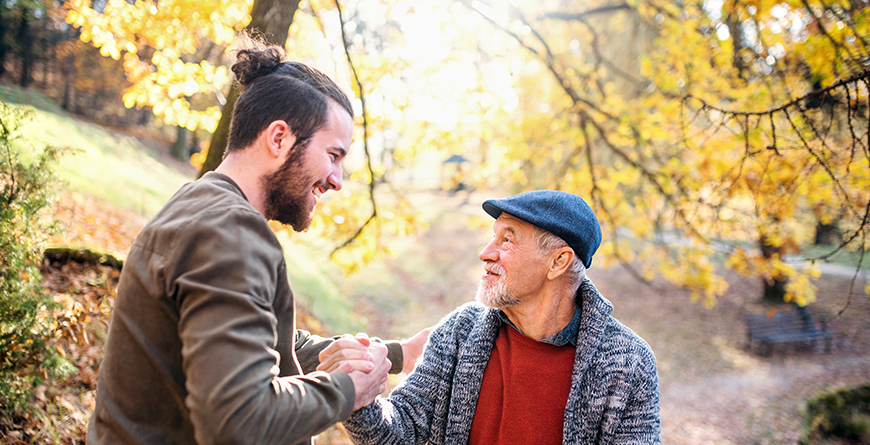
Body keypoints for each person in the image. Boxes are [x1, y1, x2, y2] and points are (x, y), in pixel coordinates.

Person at [87, 38, 426, 445]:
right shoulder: (231, 233)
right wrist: (347, 389)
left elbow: (261, 338)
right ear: (279, 138)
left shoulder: (199, 204)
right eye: (333, 155)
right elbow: (240, 421)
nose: (337, 180)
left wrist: (397, 354)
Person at [340, 190, 661, 444]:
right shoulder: (460, 331)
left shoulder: (628, 363)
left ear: (558, 262)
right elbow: (401, 429)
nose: (485, 253)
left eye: (507, 239)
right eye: (493, 236)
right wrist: (359, 400)